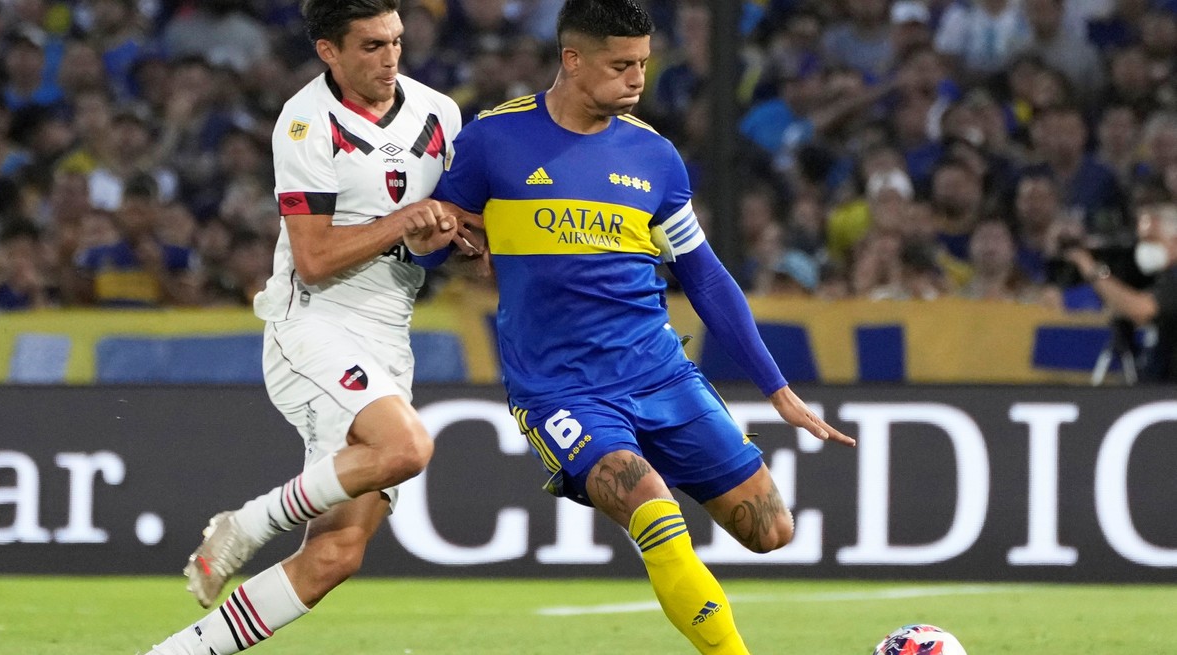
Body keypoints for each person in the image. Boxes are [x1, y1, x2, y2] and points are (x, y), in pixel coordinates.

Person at [421, 1, 855, 653]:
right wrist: (439, 235)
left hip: (661, 374)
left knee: (770, 530)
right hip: (561, 389)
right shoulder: (493, 140)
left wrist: (777, 389)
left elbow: (705, 277)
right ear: (572, 60)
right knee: (650, 502)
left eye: (644, 64)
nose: (636, 79)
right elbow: (430, 249)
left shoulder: (654, 156)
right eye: (621, 64)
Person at [144, 1, 466, 653]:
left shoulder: (439, 113)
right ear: (329, 51)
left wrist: (445, 237)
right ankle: (246, 524)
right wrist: (402, 223)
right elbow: (314, 260)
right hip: (313, 323)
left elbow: (431, 247)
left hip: (388, 334)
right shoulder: (305, 122)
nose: (390, 58)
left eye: (396, 42)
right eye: (371, 46)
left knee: (336, 555)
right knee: (407, 447)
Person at [1066, 203, 1177, 382]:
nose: (1144, 247)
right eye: (1142, 240)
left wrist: (1093, 270)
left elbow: (1141, 310)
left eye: (1152, 239)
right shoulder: (1162, 277)